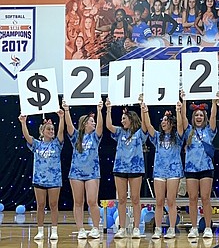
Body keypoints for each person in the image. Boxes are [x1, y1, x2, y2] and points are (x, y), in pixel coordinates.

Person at [141, 100, 185, 240]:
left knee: (171, 201)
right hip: (159, 172)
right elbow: (148, 126)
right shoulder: (157, 137)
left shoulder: (177, 137)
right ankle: (158, 229)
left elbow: (180, 125)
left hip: (173, 172)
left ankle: (171, 229)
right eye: (163, 120)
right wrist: (145, 110)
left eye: (166, 120)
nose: (163, 122)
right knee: (159, 201)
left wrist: (178, 110)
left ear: (171, 123)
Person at [19, 110, 65, 241]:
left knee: (54, 204)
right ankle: (40, 231)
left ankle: (54, 230)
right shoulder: (37, 144)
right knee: (40, 205)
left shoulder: (57, 144)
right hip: (39, 179)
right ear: (42, 131)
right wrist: (23, 122)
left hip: (54, 180)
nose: (51, 131)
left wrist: (61, 118)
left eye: (52, 129)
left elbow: (61, 131)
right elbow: (27, 136)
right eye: (49, 129)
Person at [105, 99, 148, 239]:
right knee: (122, 199)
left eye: (124, 118)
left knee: (135, 198)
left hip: (136, 169)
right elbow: (108, 125)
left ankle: (136, 228)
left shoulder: (140, 133)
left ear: (131, 119)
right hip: (120, 168)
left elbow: (145, 124)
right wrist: (108, 109)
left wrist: (143, 108)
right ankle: (122, 228)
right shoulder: (119, 132)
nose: (122, 121)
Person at [63, 100, 103, 240]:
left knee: (92, 201)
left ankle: (96, 228)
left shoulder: (95, 137)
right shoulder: (76, 137)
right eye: (92, 121)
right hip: (76, 173)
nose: (94, 123)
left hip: (92, 173)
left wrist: (99, 110)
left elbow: (100, 126)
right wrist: (66, 110)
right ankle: (80, 229)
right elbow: (69, 125)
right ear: (85, 123)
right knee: (78, 202)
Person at [181, 97, 218, 238]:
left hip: (206, 168)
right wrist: (184, 101)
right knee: (192, 198)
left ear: (205, 117)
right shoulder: (188, 131)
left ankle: (208, 227)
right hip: (191, 169)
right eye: (196, 115)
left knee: (205, 198)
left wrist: (214, 103)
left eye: (201, 115)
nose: (198, 117)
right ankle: (194, 227)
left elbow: (213, 116)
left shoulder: (209, 130)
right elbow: (183, 117)